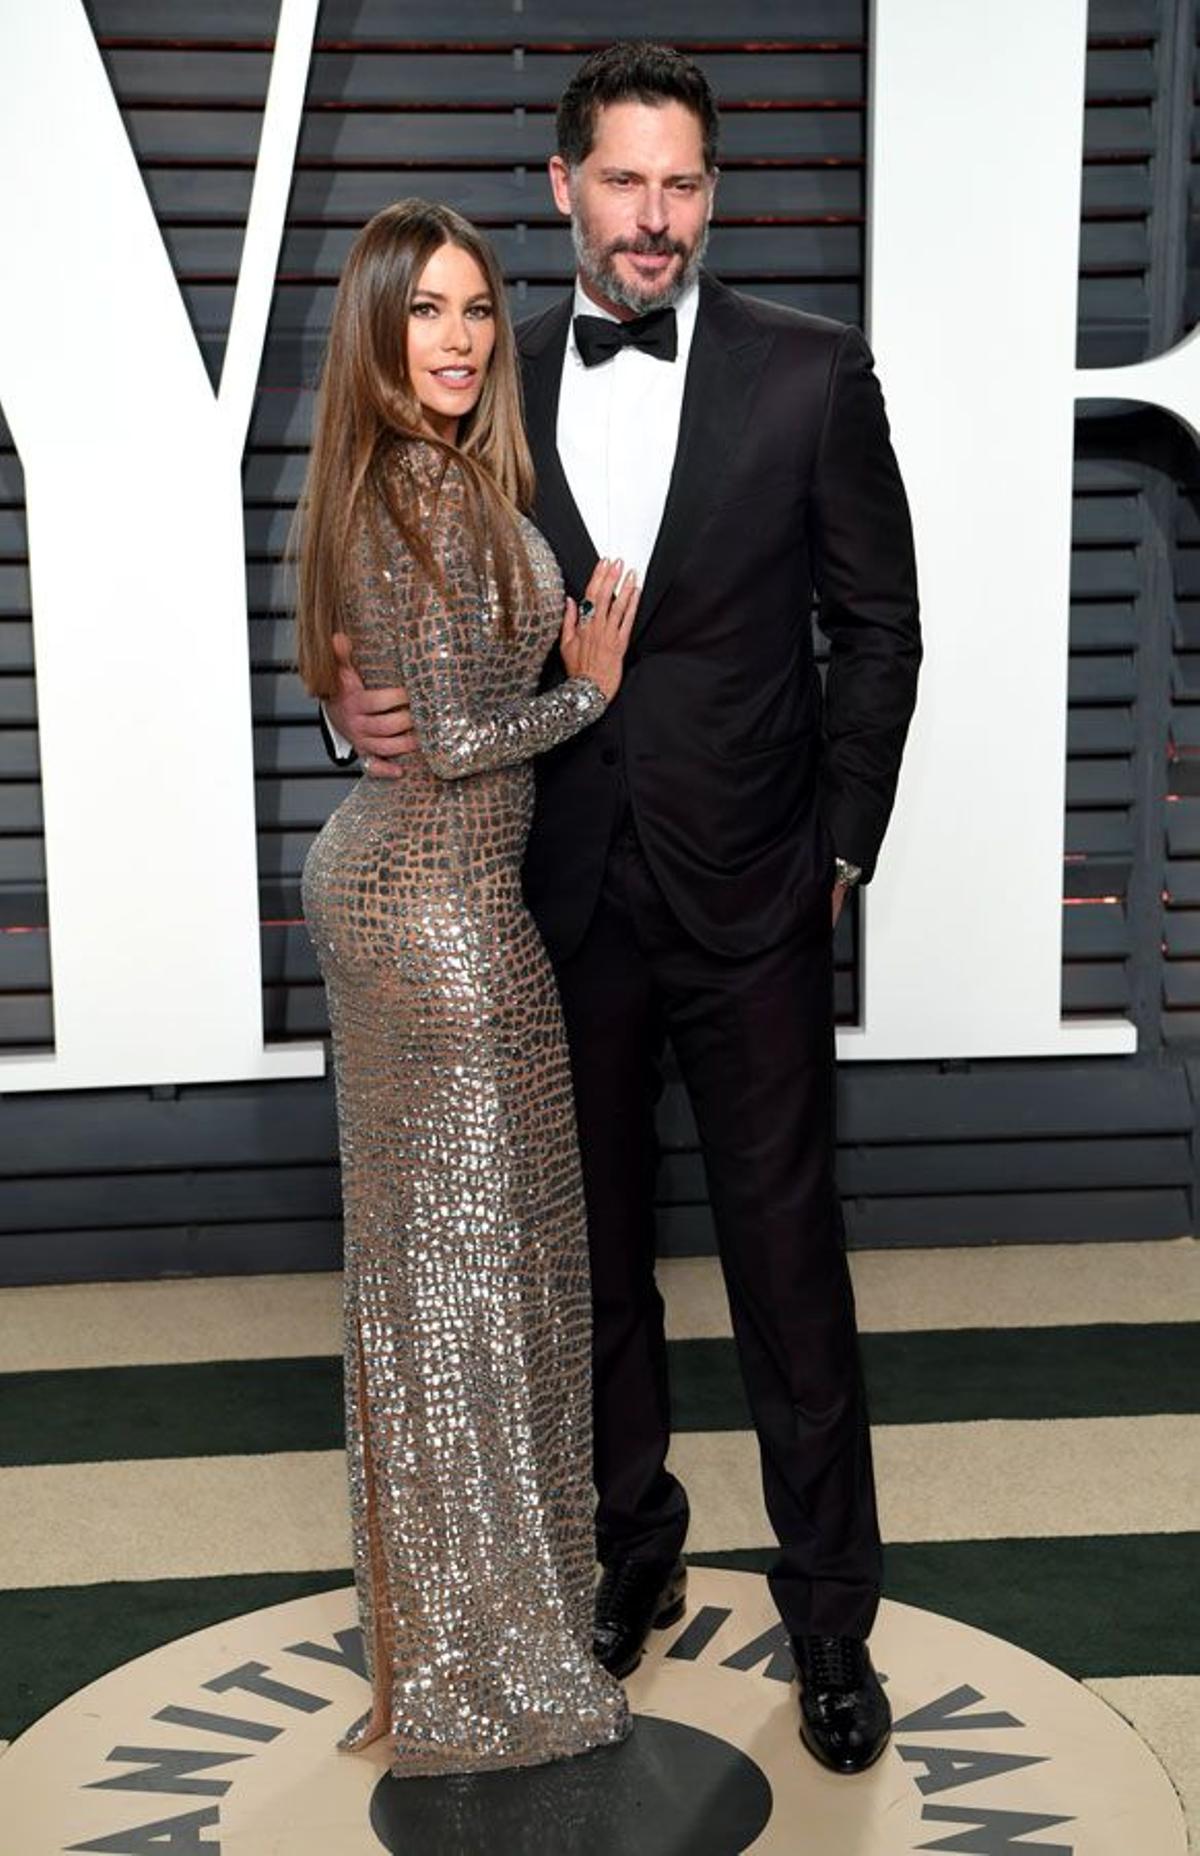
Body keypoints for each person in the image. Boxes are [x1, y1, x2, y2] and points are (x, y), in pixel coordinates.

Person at [325, 43, 921, 1778]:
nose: (653, 218)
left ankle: (829, 1625)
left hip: (752, 897)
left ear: (708, 197)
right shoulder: (479, 392)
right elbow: (394, 602)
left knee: (788, 1272)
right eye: (625, 182)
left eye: (684, 186)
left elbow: (878, 628)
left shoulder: (812, 378)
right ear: (566, 184)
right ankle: (627, 1563)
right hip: (547, 898)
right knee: (588, 1277)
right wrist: (349, 705)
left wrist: (842, 849)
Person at [297, 197, 637, 1776]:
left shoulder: (439, 479)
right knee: (465, 1292)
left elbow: (408, 704)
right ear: (376, 328)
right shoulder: (398, 492)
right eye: (425, 310)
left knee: (468, 1280)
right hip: (429, 910)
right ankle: (473, 1666)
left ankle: (475, 1632)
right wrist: (583, 689)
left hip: (433, 890)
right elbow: (438, 738)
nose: (456, 336)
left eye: (476, 309)